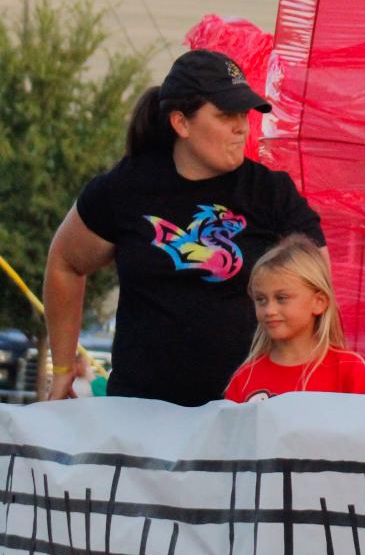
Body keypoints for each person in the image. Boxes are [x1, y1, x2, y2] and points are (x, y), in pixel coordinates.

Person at [42, 49, 324, 406]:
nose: (242, 126)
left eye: (244, 114)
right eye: (226, 115)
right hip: (139, 418)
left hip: (245, 417)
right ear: (181, 123)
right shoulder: (125, 187)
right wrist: (63, 366)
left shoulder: (270, 193)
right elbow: (65, 262)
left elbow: (319, 290)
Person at [225, 236, 365, 400]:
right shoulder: (244, 378)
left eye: (281, 298)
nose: (269, 310)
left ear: (319, 302)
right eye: (261, 299)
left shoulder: (348, 369)